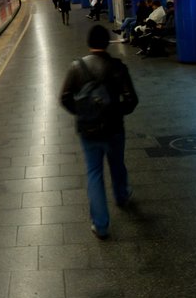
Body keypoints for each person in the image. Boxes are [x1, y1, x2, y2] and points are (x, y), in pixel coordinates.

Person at [59, 25, 139, 239]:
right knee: (117, 164)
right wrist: (117, 112)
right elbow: (132, 100)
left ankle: (101, 225)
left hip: (88, 130)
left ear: (89, 43)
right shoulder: (117, 66)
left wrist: (82, 113)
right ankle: (121, 196)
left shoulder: (76, 67)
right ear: (107, 43)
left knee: (94, 173)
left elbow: (64, 98)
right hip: (114, 129)